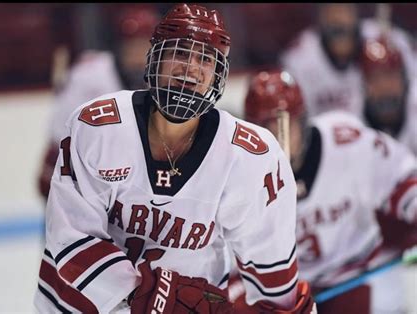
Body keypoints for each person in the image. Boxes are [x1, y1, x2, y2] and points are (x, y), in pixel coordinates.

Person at [33, 4, 315, 313]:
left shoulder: (250, 158)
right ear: (155, 57)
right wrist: (157, 296)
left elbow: (273, 277)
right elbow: (71, 240)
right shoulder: (98, 128)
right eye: (180, 53)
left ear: (218, 75)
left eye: (206, 59)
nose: (190, 68)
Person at [243, 68, 417, 313]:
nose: (275, 140)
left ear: (302, 122)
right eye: (264, 129)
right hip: (289, 297)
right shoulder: (239, 175)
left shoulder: (346, 142)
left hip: (356, 276)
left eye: (283, 127)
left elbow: (402, 182)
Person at [37, 5, 160, 199]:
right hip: (70, 166)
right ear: (120, 46)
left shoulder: (156, 79)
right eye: (133, 45)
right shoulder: (91, 74)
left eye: (145, 46)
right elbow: (60, 129)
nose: (139, 53)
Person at [280, 3, 415, 118]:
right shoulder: (299, 59)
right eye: (332, 9)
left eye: (344, 9)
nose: (339, 18)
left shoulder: (388, 40)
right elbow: (293, 119)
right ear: (320, 15)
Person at [360, 36, 417, 155]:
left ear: (404, 80)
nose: (384, 86)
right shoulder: (353, 119)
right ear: (364, 85)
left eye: (391, 76)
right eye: (375, 78)